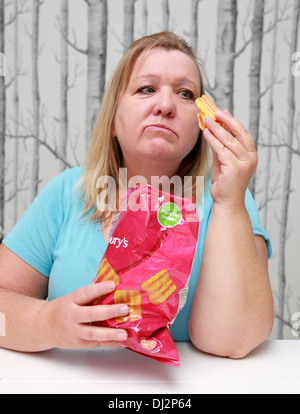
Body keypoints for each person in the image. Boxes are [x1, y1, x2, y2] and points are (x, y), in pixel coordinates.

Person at [0, 32, 273, 358]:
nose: (166, 105)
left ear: (202, 126)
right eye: (147, 89)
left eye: (185, 93)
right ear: (113, 119)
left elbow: (234, 342)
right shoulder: (66, 193)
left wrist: (230, 203)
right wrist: (48, 322)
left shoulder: (226, 200)